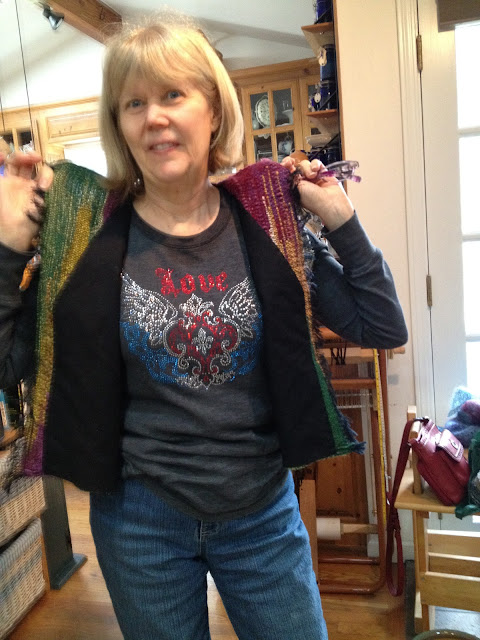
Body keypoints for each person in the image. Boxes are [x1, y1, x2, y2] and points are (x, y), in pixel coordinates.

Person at [0, 11, 408, 640]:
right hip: (139, 522)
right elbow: (8, 363)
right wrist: (6, 249)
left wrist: (343, 222)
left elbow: (382, 324)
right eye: (134, 103)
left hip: (262, 515)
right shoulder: (84, 234)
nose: (154, 117)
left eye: (172, 94)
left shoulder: (268, 220)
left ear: (213, 109)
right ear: (119, 125)